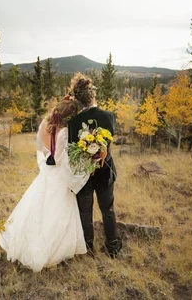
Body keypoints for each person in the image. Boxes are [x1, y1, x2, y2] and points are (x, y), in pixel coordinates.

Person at [0, 99, 90, 272]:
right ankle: (51, 249)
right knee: (58, 210)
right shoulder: (63, 132)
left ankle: (27, 240)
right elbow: (61, 160)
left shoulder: (43, 124)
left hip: (46, 173)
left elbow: (41, 148)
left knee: (37, 207)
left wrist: (48, 156)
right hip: (58, 175)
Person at [67, 73, 122, 258]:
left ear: (78, 99)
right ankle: (112, 246)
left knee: (85, 211)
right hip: (105, 171)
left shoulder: (73, 123)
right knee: (108, 209)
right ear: (93, 95)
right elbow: (111, 138)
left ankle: (88, 248)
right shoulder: (109, 116)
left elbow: (70, 148)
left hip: (84, 174)